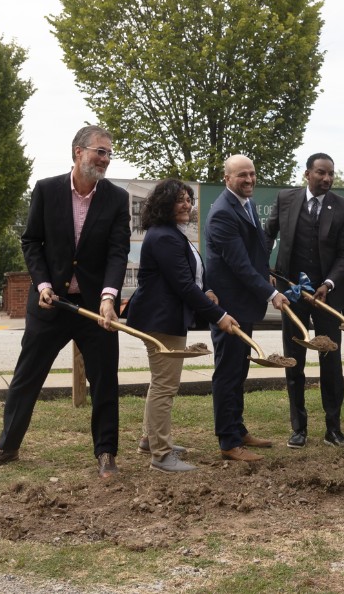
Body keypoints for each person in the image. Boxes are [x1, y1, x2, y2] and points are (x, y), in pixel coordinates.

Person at [0, 125, 131, 478]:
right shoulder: (46, 190)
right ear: (78, 152)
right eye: (99, 152)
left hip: (95, 308)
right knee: (27, 377)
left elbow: (117, 252)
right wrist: (42, 284)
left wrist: (109, 298)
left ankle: (106, 453)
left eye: (109, 153)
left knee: (105, 380)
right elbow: (31, 242)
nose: (105, 159)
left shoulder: (117, 198)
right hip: (50, 304)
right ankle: (7, 446)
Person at [124, 180, 240, 473]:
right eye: (180, 200)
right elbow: (183, 286)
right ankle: (162, 456)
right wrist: (219, 315)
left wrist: (207, 291)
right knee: (166, 384)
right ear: (164, 204)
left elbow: (190, 279)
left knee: (160, 381)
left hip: (165, 317)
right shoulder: (164, 237)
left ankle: (151, 440)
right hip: (160, 319)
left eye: (189, 199)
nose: (187, 204)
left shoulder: (172, 234)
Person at [264, 153, 344, 449]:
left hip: (326, 298)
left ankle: (333, 429)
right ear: (307, 174)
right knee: (295, 361)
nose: (327, 178)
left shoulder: (342, 208)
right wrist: (263, 270)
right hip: (293, 295)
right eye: (321, 173)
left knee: (330, 363)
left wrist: (328, 283)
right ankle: (298, 429)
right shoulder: (286, 199)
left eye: (331, 174)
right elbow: (268, 236)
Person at [204, 154, 290, 462]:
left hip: (244, 304)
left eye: (252, 174)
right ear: (227, 179)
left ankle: (238, 430)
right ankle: (228, 441)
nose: (249, 180)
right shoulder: (222, 213)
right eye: (242, 175)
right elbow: (238, 264)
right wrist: (271, 294)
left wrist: (265, 272)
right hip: (228, 307)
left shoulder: (247, 204)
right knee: (228, 372)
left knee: (238, 370)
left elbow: (253, 251)